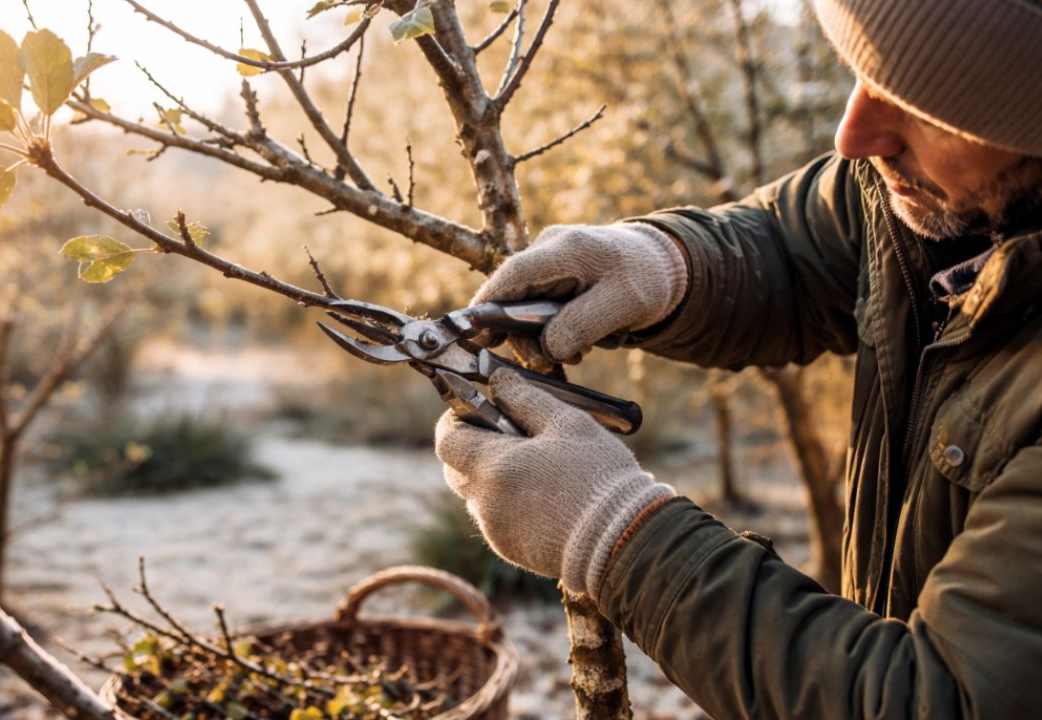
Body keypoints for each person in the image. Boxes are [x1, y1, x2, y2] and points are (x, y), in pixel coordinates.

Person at [434, 0, 1042, 717]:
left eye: (923, 106)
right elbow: (804, 249)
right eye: (863, 74)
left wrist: (617, 536)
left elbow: (935, 702)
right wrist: (670, 266)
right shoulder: (935, 185)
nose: (853, 135)